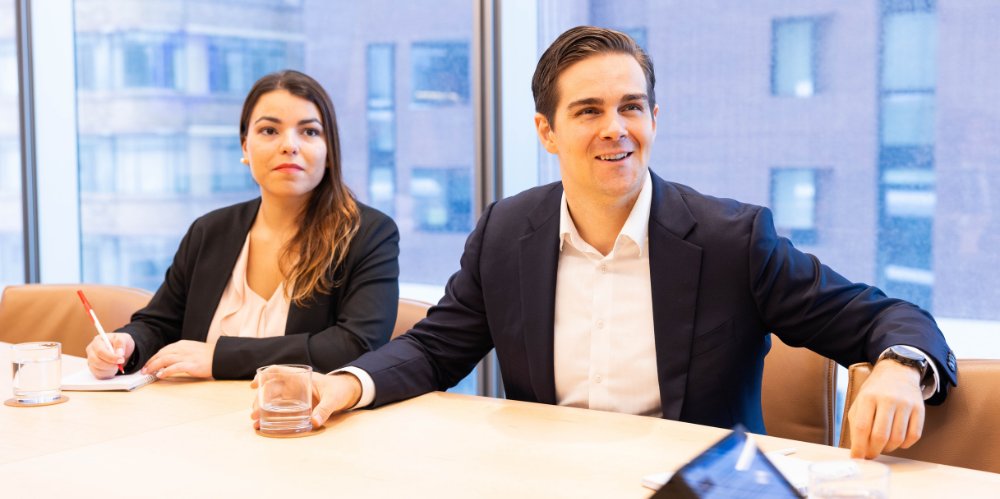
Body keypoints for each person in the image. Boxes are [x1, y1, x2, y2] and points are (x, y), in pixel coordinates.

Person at [256, 27, 957, 461]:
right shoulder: (506, 232)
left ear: (655, 117)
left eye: (631, 107)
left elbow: (884, 317)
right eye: (588, 110)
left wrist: (898, 365)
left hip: (697, 489)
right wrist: (343, 385)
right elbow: (437, 347)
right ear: (546, 131)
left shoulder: (731, 238)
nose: (614, 128)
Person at [86, 70, 399, 381]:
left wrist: (219, 358)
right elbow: (159, 324)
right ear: (245, 147)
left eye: (309, 132)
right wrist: (126, 345)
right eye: (269, 131)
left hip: (301, 423)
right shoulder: (209, 231)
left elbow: (357, 346)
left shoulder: (369, 234)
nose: (290, 145)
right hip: (192, 417)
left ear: (329, 152)